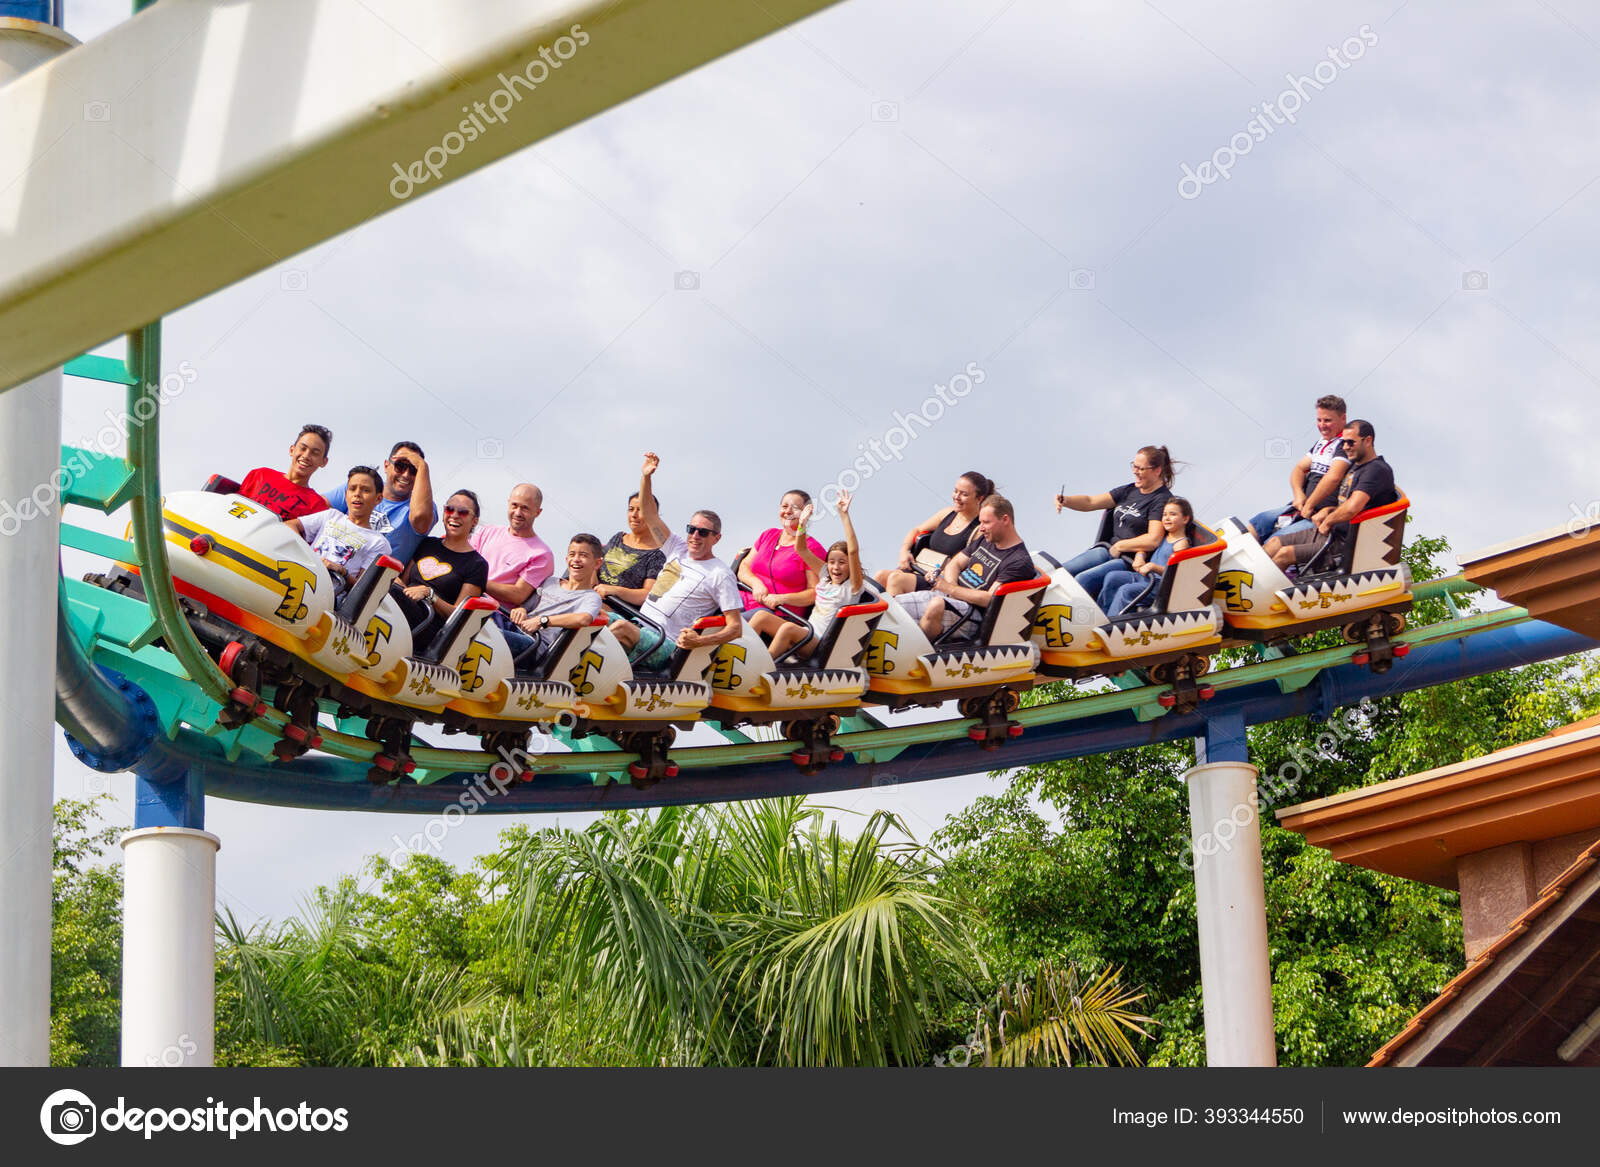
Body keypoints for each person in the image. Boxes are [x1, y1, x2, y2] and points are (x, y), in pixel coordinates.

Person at [622, 452, 744, 671]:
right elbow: (650, 516)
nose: (695, 536)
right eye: (692, 529)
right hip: (640, 626)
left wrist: (698, 642)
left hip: (664, 643)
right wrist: (646, 477)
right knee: (601, 618)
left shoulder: (720, 573)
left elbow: (735, 628)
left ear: (716, 538)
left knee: (618, 627)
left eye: (703, 532)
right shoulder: (677, 548)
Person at [895, 495, 1035, 641]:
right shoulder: (985, 538)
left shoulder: (1018, 561)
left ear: (1005, 520)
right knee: (894, 606)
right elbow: (955, 564)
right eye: (980, 522)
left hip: (972, 614)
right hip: (951, 597)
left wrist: (950, 589)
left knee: (936, 604)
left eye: (986, 522)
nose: (981, 528)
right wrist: (951, 587)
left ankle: (919, 649)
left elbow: (989, 599)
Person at [1264, 420, 1398, 571]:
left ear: (1367, 441)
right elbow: (1347, 505)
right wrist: (1328, 510)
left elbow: (1352, 508)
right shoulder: (1356, 466)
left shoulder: (1376, 470)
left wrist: (1328, 521)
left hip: (1345, 544)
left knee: (1284, 554)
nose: (1345, 447)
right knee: (1274, 543)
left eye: (1350, 443)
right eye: (1343, 443)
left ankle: (1258, 593)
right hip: (1330, 533)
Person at [1053, 445, 1176, 598]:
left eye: (1140, 468)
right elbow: (1091, 501)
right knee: (1061, 572)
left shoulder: (1161, 499)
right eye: (1134, 466)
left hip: (1128, 560)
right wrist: (1066, 501)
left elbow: (1153, 539)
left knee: (1082, 580)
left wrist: (1120, 545)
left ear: (1156, 471)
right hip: (1107, 550)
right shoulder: (1129, 490)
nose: (1134, 471)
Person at [769, 491, 865, 660]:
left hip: (821, 646)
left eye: (842, 562)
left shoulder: (852, 588)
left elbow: (853, 550)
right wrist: (803, 523)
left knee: (787, 628)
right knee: (761, 616)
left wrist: (844, 515)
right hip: (806, 634)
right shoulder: (826, 577)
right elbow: (801, 549)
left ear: (851, 565)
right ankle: (735, 655)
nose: (835, 567)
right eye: (832, 562)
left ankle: (759, 668)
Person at [1248, 395, 1351, 541]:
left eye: (1327, 420)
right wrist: (1298, 495)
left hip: (1319, 515)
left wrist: (1309, 504)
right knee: (1258, 523)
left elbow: (1333, 478)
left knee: (1275, 540)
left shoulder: (1346, 444)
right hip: (1300, 508)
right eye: (1319, 420)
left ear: (1343, 419)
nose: (1322, 425)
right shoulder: (1322, 442)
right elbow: (1299, 469)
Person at [875, 471, 992, 595]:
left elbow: (962, 565)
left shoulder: (980, 530)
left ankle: (887, 614)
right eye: (956, 491)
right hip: (918, 568)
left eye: (964, 494)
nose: (956, 497)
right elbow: (916, 530)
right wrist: (904, 551)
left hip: (938, 580)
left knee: (896, 579)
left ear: (979, 498)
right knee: (881, 575)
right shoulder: (947, 513)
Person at [288, 465, 392, 600]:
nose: (357, 494)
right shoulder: (331, 515)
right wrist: (306, 553)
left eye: (365, 490)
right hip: (298, 578)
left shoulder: (379, 543)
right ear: (346, 494)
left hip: (328, 600)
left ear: (378, 499)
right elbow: (290, 525)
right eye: (352, 489)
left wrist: (342, 572)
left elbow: (363, 592)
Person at [326, 440, 437, 566]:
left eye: (413, 470)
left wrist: (423, 466)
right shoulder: (359, 487)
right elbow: (317, 507)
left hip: (374, 582)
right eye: (400, 466)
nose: (406, 475)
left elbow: (420, 517)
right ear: (386, 466)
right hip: (333, 565)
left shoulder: (425, 505)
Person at [737, 488, 827, 643]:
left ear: (806, 513)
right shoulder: (768, 535)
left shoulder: (811, 549)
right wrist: (756, 584)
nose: (788, 511)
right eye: (785, 507)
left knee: (723, 624)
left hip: (776, 613)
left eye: (795, 508)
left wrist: (781, 598)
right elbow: (744, 566)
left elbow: (814, 594)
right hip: (742, 599)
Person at [392, 489, 489, 632]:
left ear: (474, 521)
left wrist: (430, 595)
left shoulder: (477, 564)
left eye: (463, 512)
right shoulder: (427, 543)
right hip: (402, 606)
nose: (454, 515)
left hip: (428, 623)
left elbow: (459, 616)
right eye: (449, 509)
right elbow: (403, 581)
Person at [504, 534, 606, 665]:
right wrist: (520, 610)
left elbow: (583, 618)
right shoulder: (549, 582)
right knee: (486, 622)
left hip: (534, 645)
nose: (576, 559)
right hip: (515, 628)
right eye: (572, 554)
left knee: (492, 637)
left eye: (583, 555)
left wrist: (543, 621)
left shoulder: (591, 597)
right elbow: (525, 607)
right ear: (566, 558)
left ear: (597, 563)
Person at [470, 484, 554, 637]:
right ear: (508, 503)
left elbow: (518, 594)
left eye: (525, 508)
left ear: (538, 512)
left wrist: (474, 580)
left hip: (495, 617)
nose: (518, 512)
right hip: (464, 599)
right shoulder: (487, 532)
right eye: (514, 505)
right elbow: (464, 559)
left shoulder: (542, 554)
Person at [1097, 497, 1198, 618]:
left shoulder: (1181, 544)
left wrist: (1153, 566)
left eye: (1172, 514)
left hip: (1159, 587)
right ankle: (1101, 615)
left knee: (1126, 591)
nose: (1166, 518)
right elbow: (1145, 547)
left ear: (1185, 519)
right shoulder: (1163, 535)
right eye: (1164, 514)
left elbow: (1176, 574)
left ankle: (1112, 621)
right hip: (1145, 578)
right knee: (1112, 577)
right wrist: (1140, 556)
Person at [239, 424, 331, 521]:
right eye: (303, 448)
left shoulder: (317, 506)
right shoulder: (260, 475)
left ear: (323, 462)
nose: (306, 456)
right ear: (292, 450)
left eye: (315, 453)